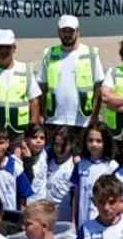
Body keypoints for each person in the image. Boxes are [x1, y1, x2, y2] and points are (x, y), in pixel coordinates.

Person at [38, 15, 103, 145]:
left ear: (78, 32)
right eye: (64, 31)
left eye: (71, 31)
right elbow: (43, 86)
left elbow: (98, 87)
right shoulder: (49, 53)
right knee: (55, 160)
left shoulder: (90, 54)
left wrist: (94, 116)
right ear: (58, 32)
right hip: (54, 119)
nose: (67, 35)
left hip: (82, 120)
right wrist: (42, 112)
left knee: (80, 160)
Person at [0, 29, 41, 144]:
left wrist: (32, 130)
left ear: (14, 48)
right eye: (1, 47)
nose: (4, 51)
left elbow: (34, 102)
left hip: (19, 131)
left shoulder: (25, 70)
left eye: (7, 47)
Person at [70, 124, 118, 228]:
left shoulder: (112, 166)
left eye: (98, 141)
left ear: (105, 142)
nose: (94, 144)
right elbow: (76, 195)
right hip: (83, 220)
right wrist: (74, 221)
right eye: (90, 140)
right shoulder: (80, 165)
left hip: (104, 222)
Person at [45, 125, 78, 223]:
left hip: (64, 218)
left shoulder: (74, 165)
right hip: (46, 215)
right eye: (56, 145)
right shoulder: (48, 160)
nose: (59, 149)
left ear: (71, 144)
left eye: (63, 146)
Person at [20, 123, 50, 201]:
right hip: (27, 203)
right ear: (26, 139)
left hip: (41, 202)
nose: (38, 141)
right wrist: (28, 160)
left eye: (42, 138)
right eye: (34, 137)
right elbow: (27, 180)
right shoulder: (20, 159)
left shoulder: (45, 153)